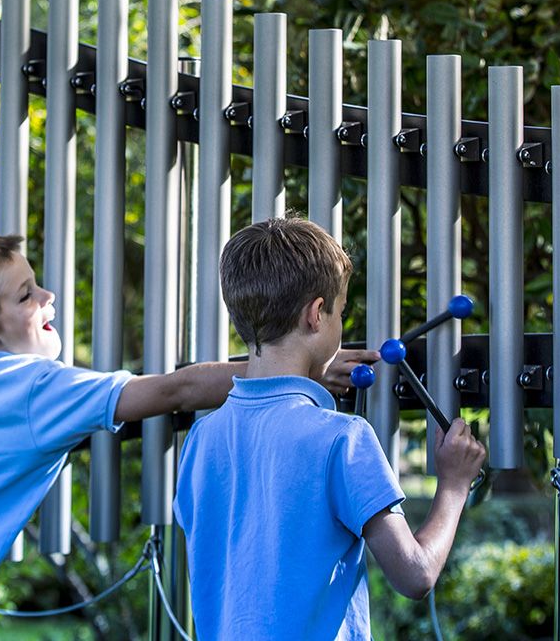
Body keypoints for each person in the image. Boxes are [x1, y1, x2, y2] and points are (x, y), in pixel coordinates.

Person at [0, 234, 373, 639]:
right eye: (26, 295)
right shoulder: (35, 388)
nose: (48, 297)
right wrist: (296, 368)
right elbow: (174, 391)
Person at [173, 217, 487, 641]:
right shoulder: (343, 439)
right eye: (340, 313)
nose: (340, 324)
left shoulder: (201, 440)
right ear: (316, 314)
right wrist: (454, 484)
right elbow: (415, 573)